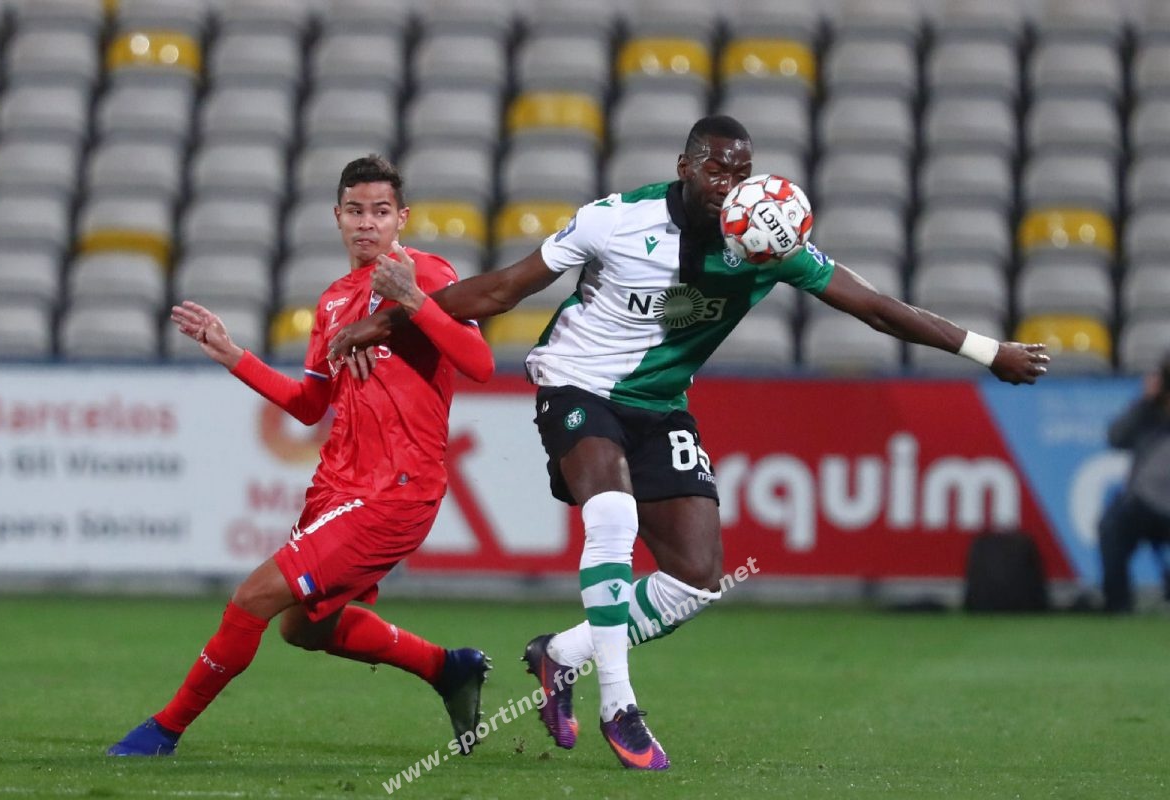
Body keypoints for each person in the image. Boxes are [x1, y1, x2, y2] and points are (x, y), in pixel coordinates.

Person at [326, 116, 1051, 770]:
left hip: (660, 405)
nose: (728, 183)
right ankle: (620, 705)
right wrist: (385, 323)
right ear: (684, 167)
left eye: (741, 171)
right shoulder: (616, 221)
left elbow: (875, 308)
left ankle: (564, 653)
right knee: (613, 515)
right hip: (577, 383)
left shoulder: (768, 242)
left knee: (698, 579)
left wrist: (988, 351)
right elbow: (501, 291)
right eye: (715, 169)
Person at [108, 156, 496, 758]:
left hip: (396, 490)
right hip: (337, 487)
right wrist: (234, 355)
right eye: (356, 211)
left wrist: (415, 301)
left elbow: (480, 363)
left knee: (253, 597)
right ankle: (447, 668)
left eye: (381, 211)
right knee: (304, 627)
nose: (367, 223)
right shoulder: (333, 301)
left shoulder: (425, 272)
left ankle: (164, 730)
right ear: (337, 216)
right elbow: (311, 405)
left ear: (402, 218)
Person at [1098, 352, 1170, 613]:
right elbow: (1115, 437)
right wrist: (1144, 401)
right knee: (1112, 527)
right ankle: (1118, 606)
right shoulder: (1148, 414)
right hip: (1144, 503)